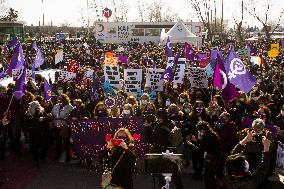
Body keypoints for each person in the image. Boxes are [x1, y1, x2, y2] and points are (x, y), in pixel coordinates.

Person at [187, 121, 221, 189]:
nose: (199, 132)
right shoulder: (212, 134)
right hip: (217, 158)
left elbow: (199, 150)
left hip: (211, 160)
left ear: (202, 130)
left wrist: (190, 144)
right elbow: (206, 144)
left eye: (199, 131)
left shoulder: (206, 136)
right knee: (213, 178)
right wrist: (196, 140)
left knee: (208, 178)